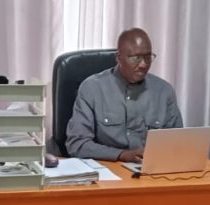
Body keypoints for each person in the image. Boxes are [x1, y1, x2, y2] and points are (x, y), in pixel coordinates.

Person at [66, 27, 183, 162]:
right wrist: (120, 154)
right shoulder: (92, 89)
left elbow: (178, 143)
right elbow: (77, 144)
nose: (143, 64)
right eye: (136, 58)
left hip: (151, 168)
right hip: (109, 167)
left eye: (148, 57)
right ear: (118, 57)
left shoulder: (164, 91)